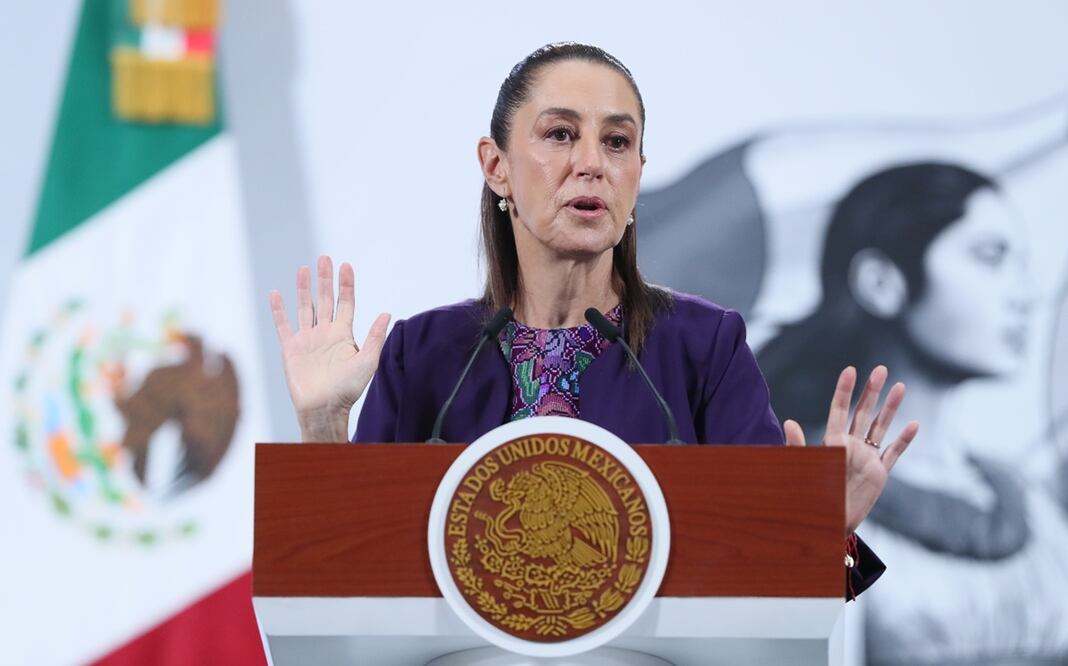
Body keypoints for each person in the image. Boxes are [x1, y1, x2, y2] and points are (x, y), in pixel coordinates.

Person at [268, 42, 919, 598]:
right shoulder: (425, 353)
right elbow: (346, 584)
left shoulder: (704, 347)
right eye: (559, 134)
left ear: (637, 175)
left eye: (617, 141)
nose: (592, 163)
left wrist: (828, 533)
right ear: (496, 167)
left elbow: (773, 599)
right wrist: (322, 426)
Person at [759, 162, 1068, 663]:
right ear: (882, 282)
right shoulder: (800, 479)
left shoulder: (1033, 504)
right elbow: (777, 644)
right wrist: (820, 534)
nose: (1027, 295)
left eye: (1022, 264)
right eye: (991, 257)